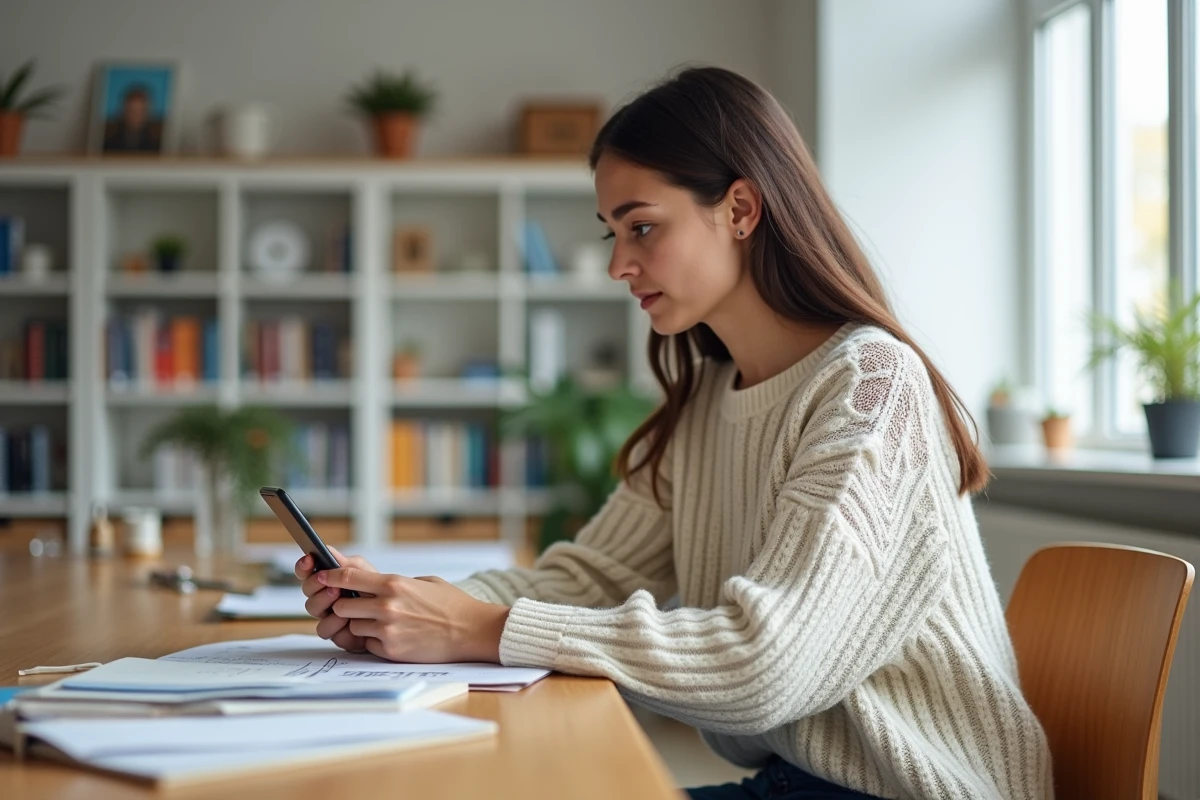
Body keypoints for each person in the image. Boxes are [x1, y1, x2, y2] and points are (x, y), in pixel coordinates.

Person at [295, 66, 1053, 799]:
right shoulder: (708, 402)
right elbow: (586, 579)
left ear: (741, 210)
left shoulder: (869, 385)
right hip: (793, 783)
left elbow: (766, 666)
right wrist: (402, 605)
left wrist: (482, 628)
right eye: (612, 235)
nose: (620, 265)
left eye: (643, 227)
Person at [102, 84, 163, 153]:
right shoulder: (106, 142)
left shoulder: (159, 144)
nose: (136, 116)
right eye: (132, 110)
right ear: (124, 111)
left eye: (140, 111)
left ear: (148, 112)